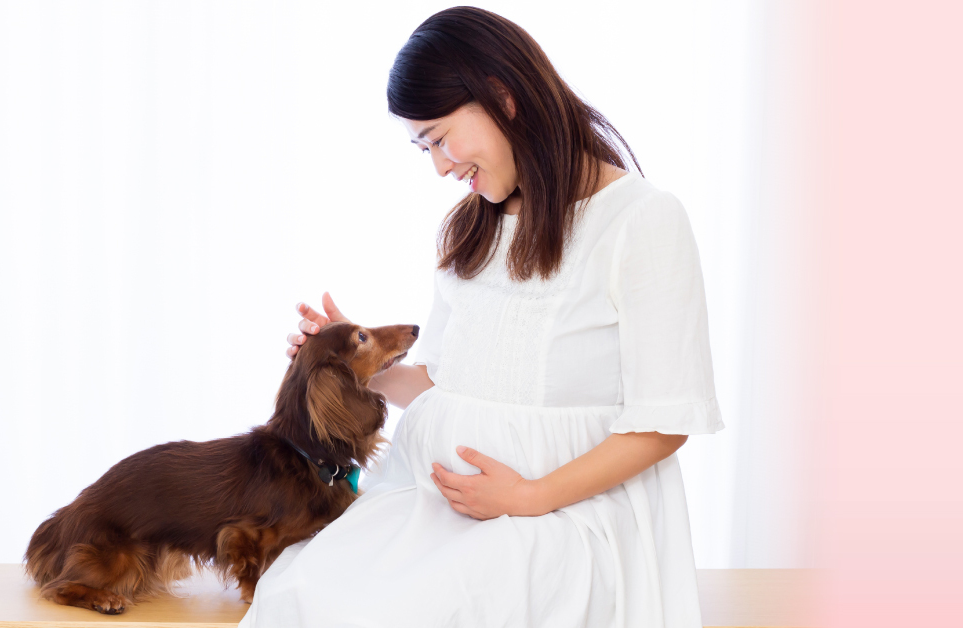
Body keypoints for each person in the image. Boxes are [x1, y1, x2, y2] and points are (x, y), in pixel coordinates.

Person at [238, 7, 723, 627]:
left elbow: (665, 423)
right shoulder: (473, 228)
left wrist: (528, 497)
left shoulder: (642, 220)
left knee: (403, 611)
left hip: (562, 517)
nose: (440, 166)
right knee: (302, 591)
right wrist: (357, 365)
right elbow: (449, 388)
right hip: (430, 503)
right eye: (424, 148)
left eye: (439, 138)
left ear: (502, 97)